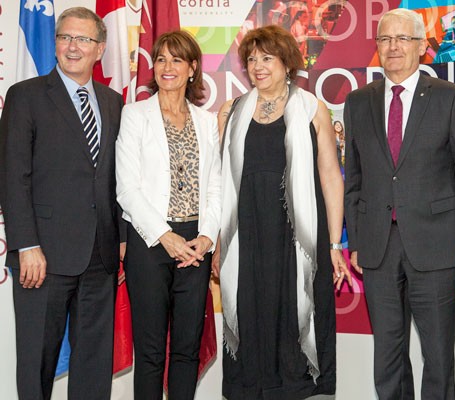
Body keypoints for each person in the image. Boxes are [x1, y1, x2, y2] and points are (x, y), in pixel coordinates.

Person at [344, 8, 455, 399]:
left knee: (438, 356)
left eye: (403, 39)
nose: (393, 47)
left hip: (437, 245)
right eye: (385, 39)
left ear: (423, 46)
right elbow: (352, 179)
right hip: (377, 248)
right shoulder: (357, 101)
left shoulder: (451, 99)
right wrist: (355, 240)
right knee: (387, 356)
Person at [216, 25, 352, 399]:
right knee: (249, 311)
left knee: (295, 313)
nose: (258, 66)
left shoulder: (312, 108)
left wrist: (335, 243)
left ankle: (296, 388)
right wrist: (217, 243)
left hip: (299, 236)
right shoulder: (231, 110)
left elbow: (330, 176)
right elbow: (219, 182)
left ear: (287, 62)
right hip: (245, 235)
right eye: (252, 59)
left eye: (268, 58)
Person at [0, 7, 124, 399]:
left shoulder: (113, 102)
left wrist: (119, 239)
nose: (72, 47)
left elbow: (115, 178)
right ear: (54, 43)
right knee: (37, 362)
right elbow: (12, 176)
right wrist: (26, 245)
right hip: (43, 257)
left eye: (83, 39)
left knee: (93, 367)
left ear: (100, 49)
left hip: (100, 256)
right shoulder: (25, 96)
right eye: (65, 37)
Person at [115, 30, 221, 400]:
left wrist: (207, 237)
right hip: (150, 241)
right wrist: (165, 236)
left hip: (196, 243)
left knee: (186, 349)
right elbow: (126, 189)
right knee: (150, 351)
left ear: (193, 68)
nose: (167, 67)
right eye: (160, 59)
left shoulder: (207, 122)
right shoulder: (135, 115)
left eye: (177, 59)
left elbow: (216, 186)